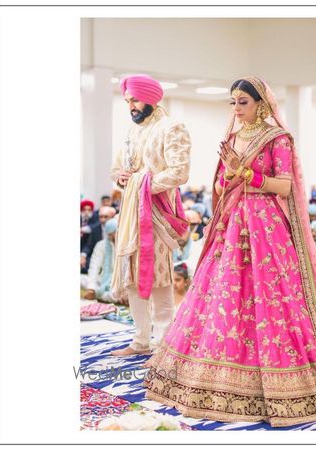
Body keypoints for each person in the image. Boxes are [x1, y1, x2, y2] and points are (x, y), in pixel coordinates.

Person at [144, 76, 316, 427]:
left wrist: (245, 173)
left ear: (261, 102)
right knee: (225, 295)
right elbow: (222, 184)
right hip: (233, 223)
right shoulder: (233, 136)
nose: (237, 108)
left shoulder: (278, 139)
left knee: (272, 299)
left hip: (267, 227)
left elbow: (285, 187)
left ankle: (285, 383)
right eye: (232, 102)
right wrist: (226, 178)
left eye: (243, 101)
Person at [109, 74, 191, 356]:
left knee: (159, 276)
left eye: (134, 99)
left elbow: (179, 172)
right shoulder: (132, 132)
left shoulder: (171, 127)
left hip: (156, 213)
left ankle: (163, 344)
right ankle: (140, 340)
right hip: (131, 213)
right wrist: (122, 178)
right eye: (127, 101)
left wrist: (141, 183)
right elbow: (117, 170)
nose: (130, 105)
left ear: (151, 98)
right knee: (132, 276)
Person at [81, 218, 120, 303]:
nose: (112, 236)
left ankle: (100, 295)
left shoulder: (126, 246)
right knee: (81, 279)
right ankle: (98, 293)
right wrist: (91, 288)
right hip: (103, 280)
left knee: (120, 294)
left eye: (114, 232)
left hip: (121, 282)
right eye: (109, 234)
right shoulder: (101, 245)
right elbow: (94, 267)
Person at [81, 206, 116, 273]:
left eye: (106, 217)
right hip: (98, 256)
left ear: (112, 217)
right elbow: (89, 245)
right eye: (101, 217)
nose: (103, 219)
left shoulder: (118, 228)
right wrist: (83, 256)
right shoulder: (95, 228)